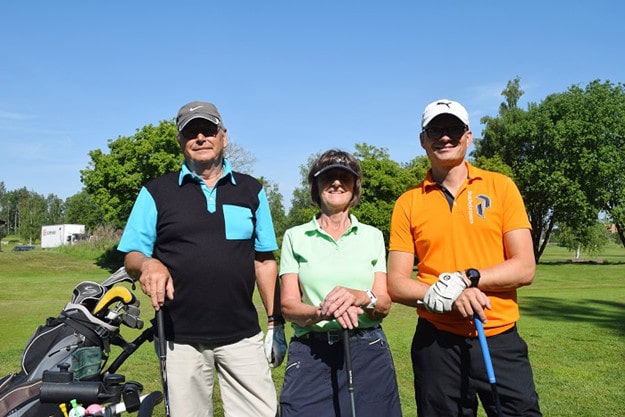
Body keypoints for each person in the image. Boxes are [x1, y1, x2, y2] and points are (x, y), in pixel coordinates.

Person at [117, 101, 286, 417]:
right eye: (190, 132)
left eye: (208, 130)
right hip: (179, 341)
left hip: (244, 336)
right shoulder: (156, 191)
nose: (200, 137)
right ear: (180, 142)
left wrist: (275, 324)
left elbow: (264, 260)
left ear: (223, 136)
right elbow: (132, 255)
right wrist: (147, 263)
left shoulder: (252, 190)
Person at [387, 99, 542, 416]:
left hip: (498, 337)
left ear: (468, 137)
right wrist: (445, 297)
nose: (445, 137)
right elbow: (397, 283)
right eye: (436, 130)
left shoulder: (501, 187)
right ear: (423, 140)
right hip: (437, 344)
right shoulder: (408, 202)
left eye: (454, 129)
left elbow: (525, 267)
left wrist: (467, 279)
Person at [278, 149, 402, 417]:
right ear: (315, 186)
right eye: (328, 177)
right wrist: (321, 311)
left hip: (367, 348)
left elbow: (383, 304)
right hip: (311, 351)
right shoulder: (295, 237)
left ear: (355, 186)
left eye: (344, 177)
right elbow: (288, 306)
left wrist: (360, 297)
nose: (336, 183)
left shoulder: (372, 236)